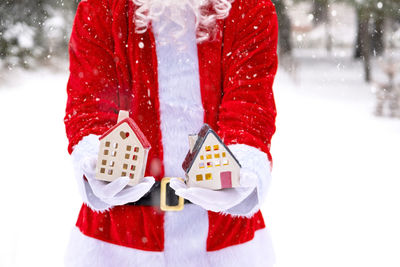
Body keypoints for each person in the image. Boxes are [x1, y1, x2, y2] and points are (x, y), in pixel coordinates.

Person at [64, 0, 278, 266]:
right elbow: (90, 104)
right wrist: (95, 160)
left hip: (225, 240)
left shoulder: (249, 7)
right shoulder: (100, 7)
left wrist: (243, 167)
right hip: (116, 241)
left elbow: (250, 104)